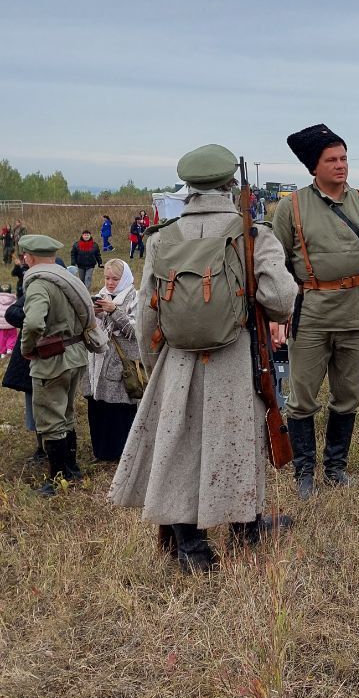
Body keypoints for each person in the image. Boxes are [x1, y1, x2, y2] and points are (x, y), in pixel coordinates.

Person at [110, 145, 299, 572]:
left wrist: (157, 359)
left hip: (178, 359)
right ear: (230, 184)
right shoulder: (253, 233)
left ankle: (191, 545)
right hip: (236, 354)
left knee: (179, 445)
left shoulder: (161, 237)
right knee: (238, 439)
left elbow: (147, 314)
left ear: (190, 186)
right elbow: (281, 296)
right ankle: (245, 527)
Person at [272, 124, 359, 496]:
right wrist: (278, 312)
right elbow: (275, 263)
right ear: (313, 167)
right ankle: (304, 473)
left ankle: (335, 468)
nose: (341, 165)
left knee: (348, 394)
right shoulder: (292, 207)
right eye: (332, 159)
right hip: (312, 313)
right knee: (302, 396)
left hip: (355, 312)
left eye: (344, 158)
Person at [19, 234, 106, 495]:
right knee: (66, 414)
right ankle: (71, 469)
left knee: (50, 418)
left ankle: (57, 480)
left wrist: (26, 347)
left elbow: (34, 323)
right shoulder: (68, 278)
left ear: (29, 257)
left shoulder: (38, 282)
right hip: (76, 353)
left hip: (53, 359)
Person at [83, 259, 141, 460]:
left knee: (118, 409)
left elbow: (135, 332)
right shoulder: (101, 295)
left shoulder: (134, 297)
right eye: (107, 278)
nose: (110, 282)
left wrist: (114, 311)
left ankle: (120, 453)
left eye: (115, 279)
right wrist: (93, 313)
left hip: (120, 362)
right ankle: (101, 451)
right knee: (98, 406)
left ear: (124, 278)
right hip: (97, 361)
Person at [2, 290, 43, 464]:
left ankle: (56, 449)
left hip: (58, 356)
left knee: (56, 407)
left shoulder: (64, 289)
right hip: (32, 357)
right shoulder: (36, 288)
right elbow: (12, 313)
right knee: (33, 400)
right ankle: (41, 448)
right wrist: (33, 315)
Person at [0, 284, 16, 355]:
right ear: (10, 292)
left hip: (1, 325)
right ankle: (10, 348)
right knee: (12, 336)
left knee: (2, 337)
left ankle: (2, 352)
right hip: (11, 323)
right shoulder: (14, 300)